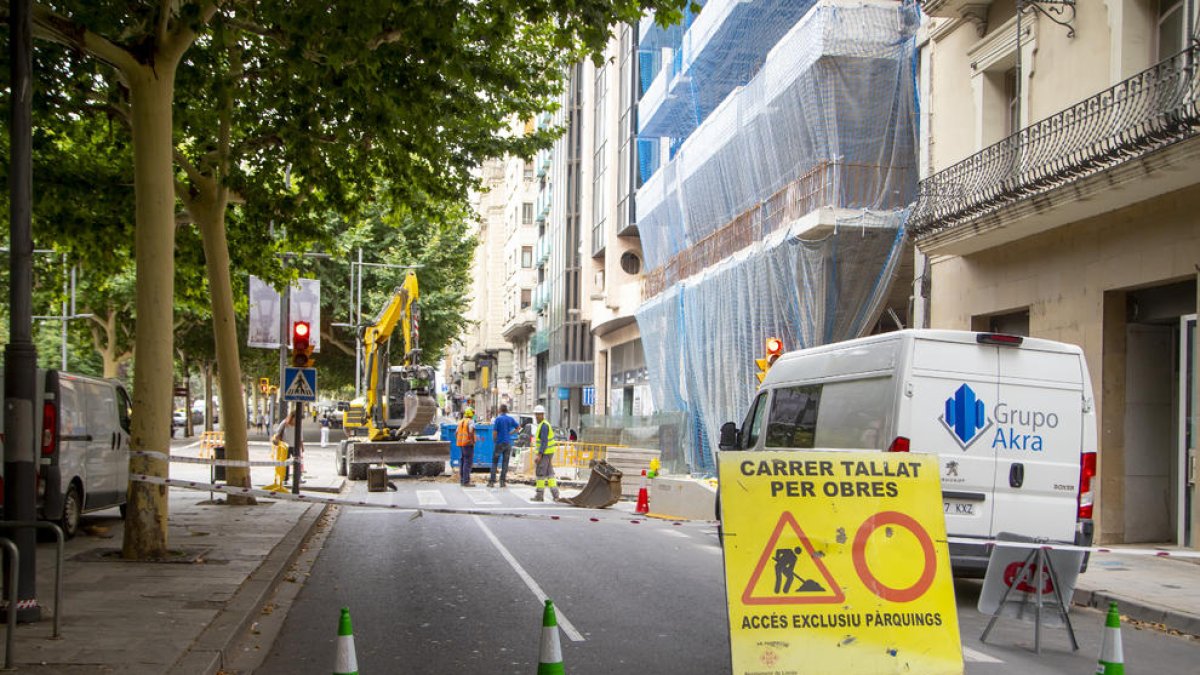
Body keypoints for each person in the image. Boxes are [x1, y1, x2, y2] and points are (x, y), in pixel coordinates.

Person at [531, 405, 562, 502]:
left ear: (542, 415)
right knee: (550, 474)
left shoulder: (544, 426)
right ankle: (555, 495)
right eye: (536, 414)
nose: (536, 417)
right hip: (548, 453)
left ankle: (539, 496)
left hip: (544, 454)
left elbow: (544, 442)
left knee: (540, 474)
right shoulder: (544, 424)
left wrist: (539, 455)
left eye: (538, 414)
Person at [488, 404, 519, 488]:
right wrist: (510, 433)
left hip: (499, 442)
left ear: (500, 410)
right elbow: (518, 427)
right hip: (507, 443)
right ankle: (502, 482)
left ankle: (492, 482)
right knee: (505, 463)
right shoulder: (510, 419)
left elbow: (495, 432)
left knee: (495, 462)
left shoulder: (498, 419)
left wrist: (495, 440)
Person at [455, 407, 477, 487]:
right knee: (468, 463)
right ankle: (466, 482)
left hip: (461, 444)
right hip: (468, 444)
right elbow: (471, 431)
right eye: (473, 413)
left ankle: (462, 480)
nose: (474, 414)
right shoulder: (471, 421)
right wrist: (472, 441)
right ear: (471, 414)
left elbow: (456, 433)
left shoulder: (461, 421)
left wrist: (460, 440)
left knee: (463, 462)